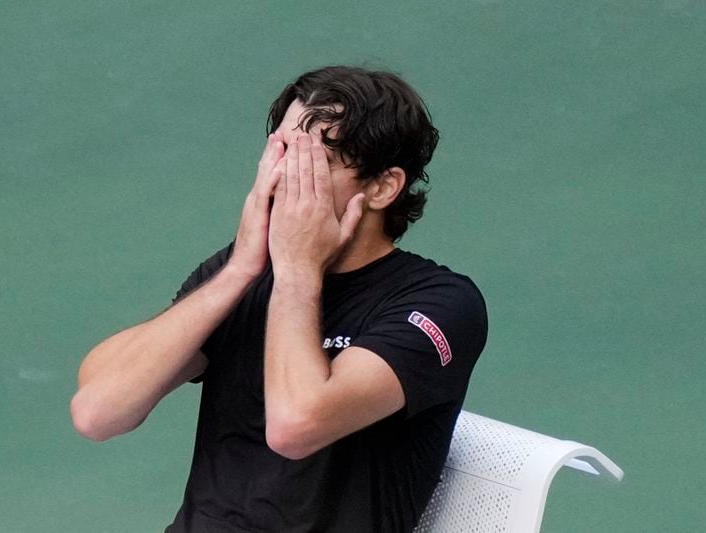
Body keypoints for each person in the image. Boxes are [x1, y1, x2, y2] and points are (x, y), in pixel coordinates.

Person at [70, 66, 488, 532]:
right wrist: (240, 271)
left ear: (383, 186)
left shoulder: (440, 304)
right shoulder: (243, 272)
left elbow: (295, 426)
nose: (285, 178)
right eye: (283, 152)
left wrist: (297, 269)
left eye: (315, 163)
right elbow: (97, 412)